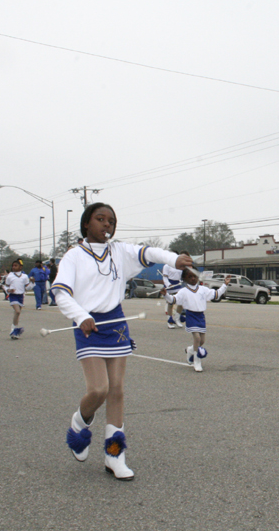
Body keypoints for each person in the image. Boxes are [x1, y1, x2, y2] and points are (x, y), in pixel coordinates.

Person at [50, 202, 191, 481]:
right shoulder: (73, 256)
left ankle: (115, 455)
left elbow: (148, 252)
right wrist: (80, 316)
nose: (107, 225)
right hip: (88, 325)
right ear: (86, 224)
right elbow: (61, 293)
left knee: (116, 391)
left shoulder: (120, 251)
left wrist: (173, 259)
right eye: (100, 219)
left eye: (111, 221)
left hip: (115, 323)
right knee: (98, 389)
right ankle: (80, 421)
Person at [164, 268, 230, 371]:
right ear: (184, 279)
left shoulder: (203, 289)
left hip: (201, 317)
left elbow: (216, 294)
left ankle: (190, 350)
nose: (193, 278)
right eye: (190, 277)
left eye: (195, 276)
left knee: (202, 341)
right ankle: (197, 361)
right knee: (197, 338)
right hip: (191, 316)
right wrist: (166, 295)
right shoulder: (183, 291)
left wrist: (225, 285)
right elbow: (173, 300)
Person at [162, 252, 190, 328]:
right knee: (170, 303)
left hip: (178, 285)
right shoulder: (166, 266)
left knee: (180, 302)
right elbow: (165, 277)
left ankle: (177, 319)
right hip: (170, 286)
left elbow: (182, 276)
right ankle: (170, 321)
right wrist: (168, 285)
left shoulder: (180, 266)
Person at [4, 259, 30, 339]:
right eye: (13, 266)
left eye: (16, 265)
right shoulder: (10, 276)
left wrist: (32, 283)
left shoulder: (24, 276)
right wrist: (8, 290)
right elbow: (5, 286)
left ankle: (14, 330)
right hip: (13, 296)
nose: (14, 267)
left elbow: (28, 287)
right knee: (17, 311)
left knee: (18, 314)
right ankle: (13, 329)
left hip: (20, 296)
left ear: (20, 267)